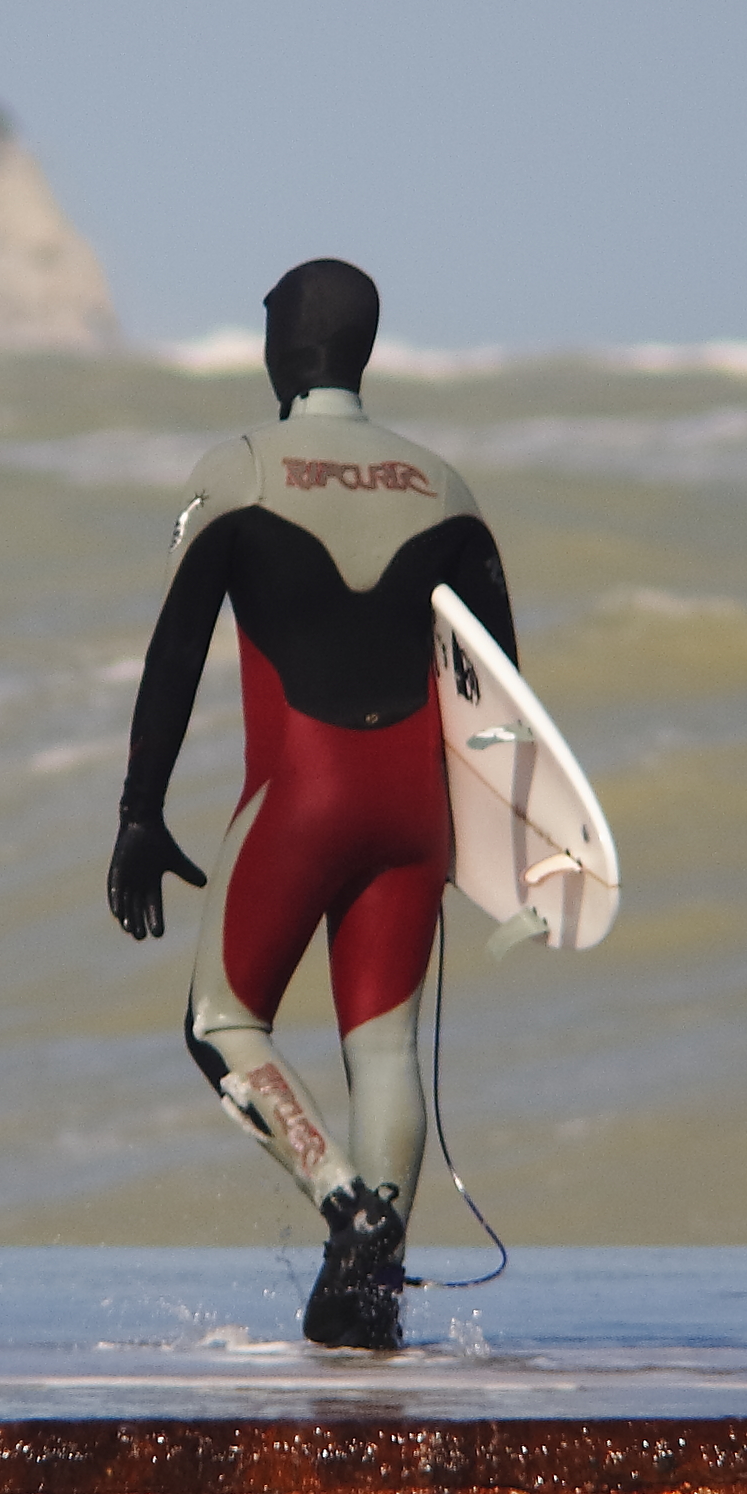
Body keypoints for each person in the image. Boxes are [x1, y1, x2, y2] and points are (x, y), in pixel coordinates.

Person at [107, 259, 516, 1350]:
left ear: (284, 349)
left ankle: (344, 1206)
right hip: (414, 814)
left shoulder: (237, 469)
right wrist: (494, 854)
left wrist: (139, 814)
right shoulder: (447, 488)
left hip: (304, 794)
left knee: (220, 1022)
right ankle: (368, 1295)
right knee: (382, 1049)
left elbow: (174, 653)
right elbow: (501, 694)